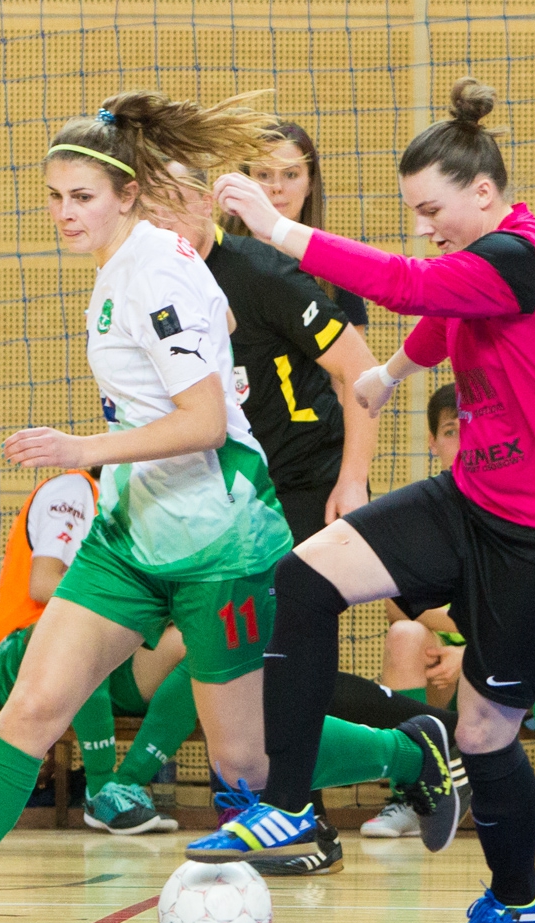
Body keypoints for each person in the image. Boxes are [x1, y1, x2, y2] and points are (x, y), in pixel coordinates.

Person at [189, 77, 535, 923]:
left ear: (485, 195)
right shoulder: (489, 267)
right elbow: (441, 317)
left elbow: (410, 284)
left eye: (434, 208)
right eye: (414, 211)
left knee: (482, 733)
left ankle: (517, 894)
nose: (424, 223)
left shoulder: (525, 256)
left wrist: (276, 230)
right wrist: (388, 375)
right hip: (475, 501)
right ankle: (293, 802)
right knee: (304, 577)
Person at [0, 90, 293, 923]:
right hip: (132, 533)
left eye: (83, 198)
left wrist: (80, 445)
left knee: (243, 763)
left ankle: (411, 761)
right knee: (32, 707)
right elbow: (223, 333)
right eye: (54, 197)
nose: (65, 214)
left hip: (220, 530)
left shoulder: (156, 270)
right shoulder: (127, 264)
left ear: (125, 194)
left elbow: (206, 422)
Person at [149, 159, 380, 873]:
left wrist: (355, 479)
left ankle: (311, 812)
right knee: (247, 663)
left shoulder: (263, 273)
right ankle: (381, 760)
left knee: (282, 657)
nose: (159, 221)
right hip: (240, 492)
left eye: (171, 202)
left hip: (308, 484)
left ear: (203, 202)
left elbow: (361, 368)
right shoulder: (159, 278)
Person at [368, 385, 535, 842]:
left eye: (471, 428)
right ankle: (409, 796)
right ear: (432, 442)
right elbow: (395, 599)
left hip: (507, 656)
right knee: (403, 635)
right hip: (442, 658)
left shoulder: (525, 503)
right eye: (450, 431)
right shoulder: (418, 508)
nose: (463, 442)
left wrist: (470, 654)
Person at [0, 469, 198, 838]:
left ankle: (123, 787)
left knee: (204, 643)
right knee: (86, 630)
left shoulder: (134, 519)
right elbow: (43, 584)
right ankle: (99, 784)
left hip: (104, 656)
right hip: (19, 657)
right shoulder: (77, 489)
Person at [223, 122, 372, 338]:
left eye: (290, 175)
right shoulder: (218, 257)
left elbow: (352, 369)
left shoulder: (335, 265)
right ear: (247, 182)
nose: (277, 187)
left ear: (310, 183)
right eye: (264, 174)